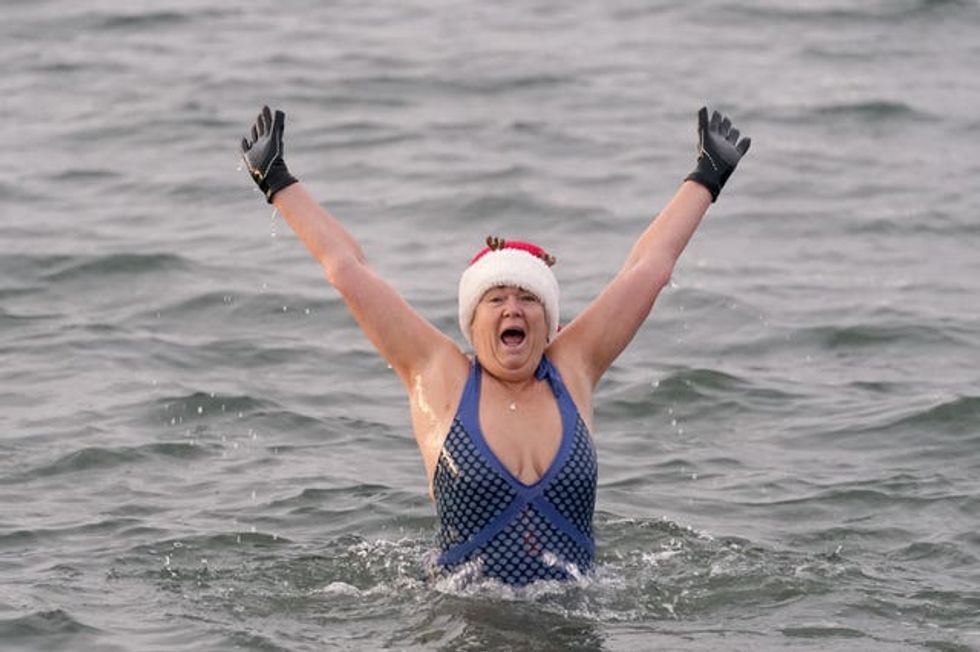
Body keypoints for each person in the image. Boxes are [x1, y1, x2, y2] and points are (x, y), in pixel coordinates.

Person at [240, 105, 750, 586]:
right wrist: (277, 182)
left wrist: (707, 177)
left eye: (528, 297)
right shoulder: (438, 375)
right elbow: (348, 271)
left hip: (573, 618)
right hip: (464, 620)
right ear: (472, 319)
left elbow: (648, 271)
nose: (513, 309)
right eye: (497, 298)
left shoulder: (572, 369)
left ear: (548, 322)